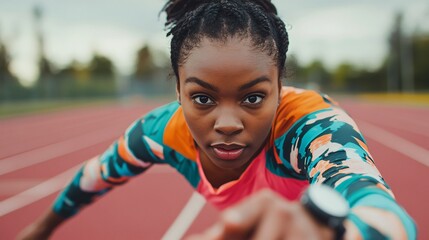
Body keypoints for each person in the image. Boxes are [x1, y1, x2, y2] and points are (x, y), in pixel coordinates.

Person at [19, 0, 416, 239]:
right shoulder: (159, 134)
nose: (227, 123)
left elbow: (385, 214)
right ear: (177, 92)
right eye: (203, 98)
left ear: (281, 89)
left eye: (254, 97)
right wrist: (41, 229)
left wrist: (339, 231)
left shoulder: (310, 128)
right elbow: (95, 176)